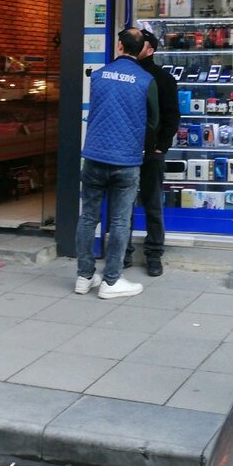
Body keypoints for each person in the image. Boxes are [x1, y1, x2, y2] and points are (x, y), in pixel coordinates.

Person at [75, 27, 159, 299]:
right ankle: (111, 280)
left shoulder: (98, 75)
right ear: (142, 49)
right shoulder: (146, 80)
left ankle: (84, 276)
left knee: (88, 217)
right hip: (126, 159)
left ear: (119, 46)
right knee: (121, 221)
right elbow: (153, 122)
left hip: (94, 156)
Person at [123, 29, 180, 276]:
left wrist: (161, 147)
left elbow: (172, 116)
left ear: (150, 50)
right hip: (126, 151)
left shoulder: (164, 79)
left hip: (151, 152)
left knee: (152, 205)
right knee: (124, 205)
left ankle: (154, 254)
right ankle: (123, 252)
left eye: (142, 44)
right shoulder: (126, 74)